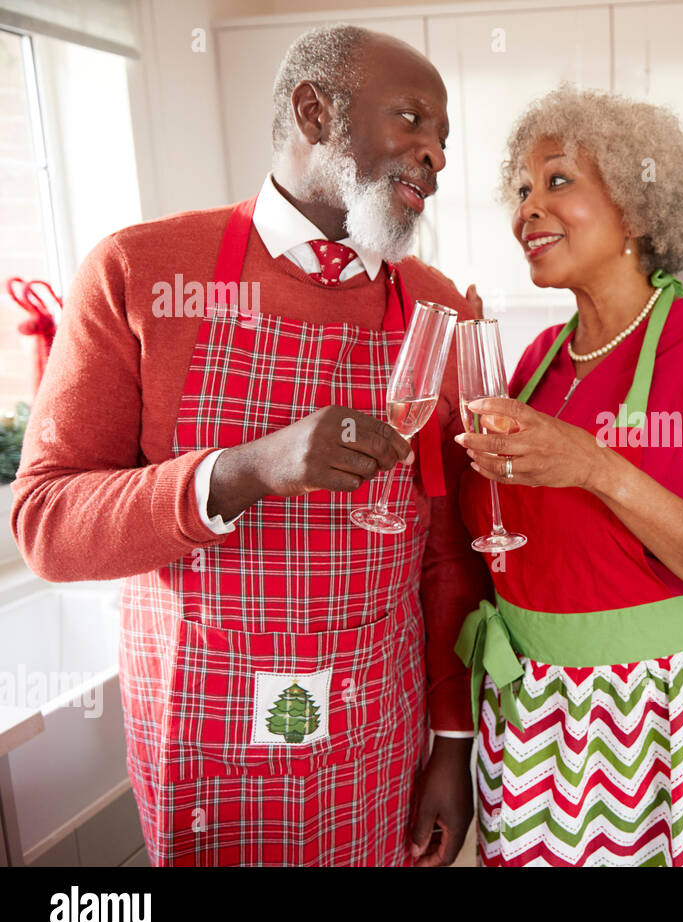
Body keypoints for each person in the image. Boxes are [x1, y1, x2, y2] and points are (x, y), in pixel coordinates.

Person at [8, 24, 490, 866]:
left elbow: (447, 553)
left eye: (443, 139)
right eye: (412, 121)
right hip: (205, 726)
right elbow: (46, 523)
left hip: (375, 730)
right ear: (314, 112)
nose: (435, 157)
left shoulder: (438, 303)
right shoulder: (141, 270)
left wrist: (452, 743)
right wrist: (242, 473)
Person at [454, 85, 683, 866]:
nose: (527, 210)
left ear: (638, 208)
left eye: (558, 181)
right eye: (522, 190)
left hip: (654, 718)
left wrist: (598, 467)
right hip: (534, 711)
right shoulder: (538, 362)